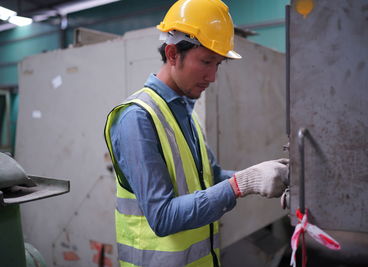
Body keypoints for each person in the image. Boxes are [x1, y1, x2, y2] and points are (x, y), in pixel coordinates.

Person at [104, 0, 289, 266]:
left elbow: (210, 178)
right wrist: (241, 184)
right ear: (172, 54)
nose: (212, 76)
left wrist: (259, 176)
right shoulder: (137, 118)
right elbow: (163, 217)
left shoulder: (183, 113)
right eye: (205, 62)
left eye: (218, 64)